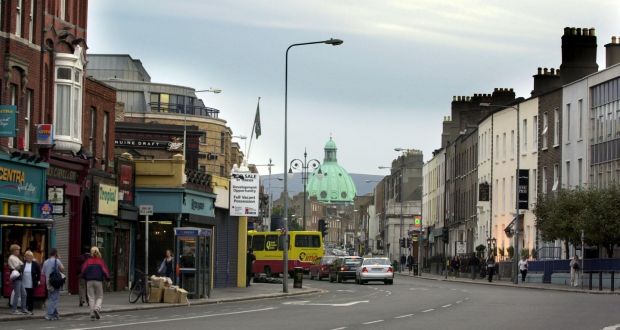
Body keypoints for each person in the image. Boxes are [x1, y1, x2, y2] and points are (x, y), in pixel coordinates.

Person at [81, 246, 110, 320]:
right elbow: (105, 271)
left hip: (89, 281)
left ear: (91, 253)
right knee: (100, 296)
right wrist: (107, 279)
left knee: (91, 298)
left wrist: (84, 278)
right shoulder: (101, 261)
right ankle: (97, 308)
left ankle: (92, 314)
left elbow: (83, 271)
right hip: (98, 281)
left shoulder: (88, 261)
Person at [42, 248, 65, 321]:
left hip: (48, 281)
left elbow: (43, 272)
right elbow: (62, 269)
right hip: (55, 281)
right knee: (54, 299)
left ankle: (56, 314)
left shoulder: (46, 262)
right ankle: (49, 314)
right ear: (56, 254)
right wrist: (58, 259)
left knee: (51, 297)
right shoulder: (57, 260)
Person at [8, 244, 27, 314]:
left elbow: (22, 266)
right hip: (16, 278)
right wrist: (22, 265)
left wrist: (22, 265)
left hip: (19, 277)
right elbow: (18, 267)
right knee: (17, 294)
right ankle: (14, 310)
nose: (19, 251)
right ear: (14, 250)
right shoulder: (12, 258)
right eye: (17, 249)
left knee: (24, 294)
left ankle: (23, 309)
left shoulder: (16, 257)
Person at [23, 250, 41, 315]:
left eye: (30, 256)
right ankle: (24, 308)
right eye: (28, 256)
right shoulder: (23, 263)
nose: (29, 258)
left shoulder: (35, 264)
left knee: (31, 296)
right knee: (24, 296)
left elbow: (39, 272)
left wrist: (38, 280)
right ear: (25, 257)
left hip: (32, 283)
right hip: (24, 283)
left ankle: (30, 309)